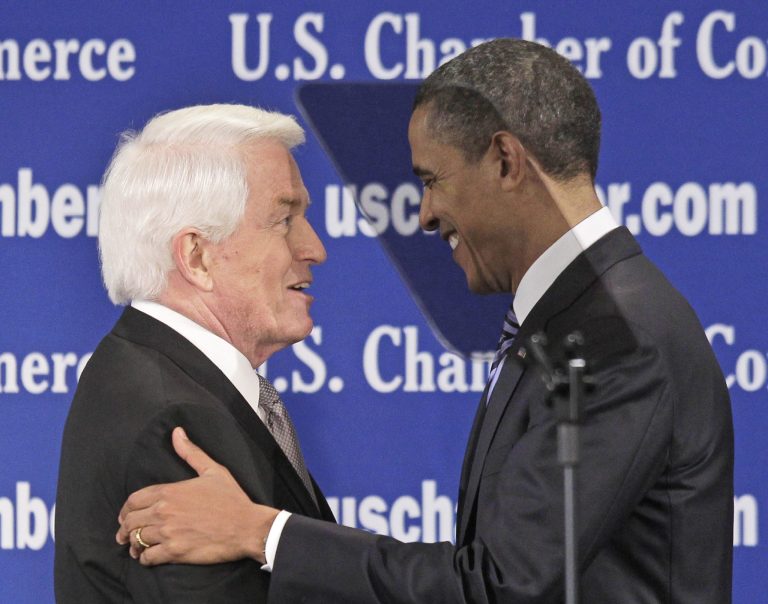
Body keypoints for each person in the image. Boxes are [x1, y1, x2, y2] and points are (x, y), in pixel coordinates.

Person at [115, 40, 734, 603]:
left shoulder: (616, 337)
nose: (425, 214)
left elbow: (500, 584)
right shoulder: (575, 315)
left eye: (433, 180)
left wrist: (260, 532)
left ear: (505, 161)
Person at [54, 104, 336, 603]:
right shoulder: (176, 421)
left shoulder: (155, 376)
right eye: (284, 219)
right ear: (197, 256)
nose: (314, 247)